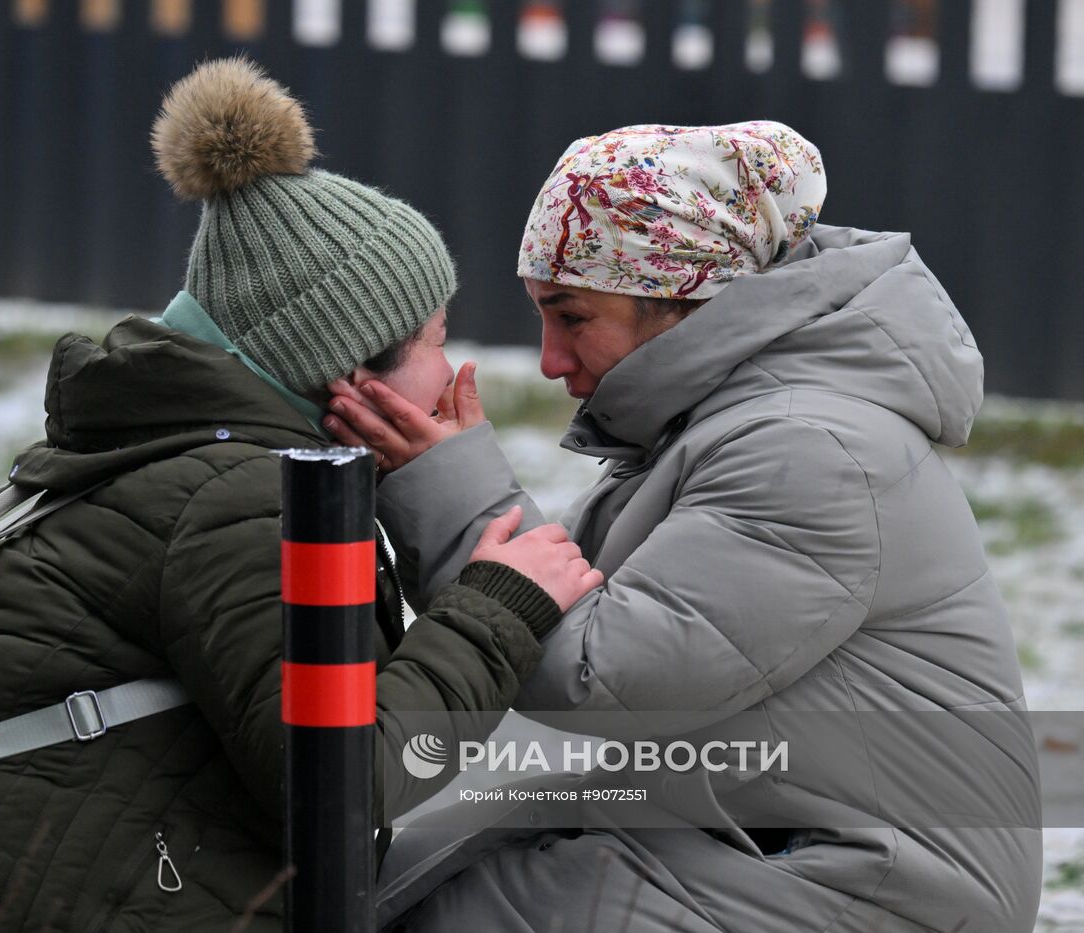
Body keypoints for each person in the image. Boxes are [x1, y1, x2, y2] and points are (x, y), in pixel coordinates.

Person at [0, 59, 603, 933]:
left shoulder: (182, 456)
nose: (452, 369)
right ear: (351, 372)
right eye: (437, 336)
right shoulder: (238, 500)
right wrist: (495, 609)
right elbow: (345, 777)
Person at [326, 121, 1042, 931]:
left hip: (878, 889)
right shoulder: (727, 424)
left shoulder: (813, 450)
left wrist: (446, 486)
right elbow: (577, 610)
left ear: (681, 300)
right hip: (773, 845)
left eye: (571, 316)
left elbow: (603, 679)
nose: (551, 359)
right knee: (414, 877)